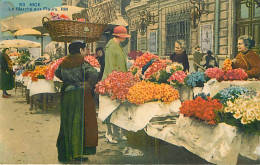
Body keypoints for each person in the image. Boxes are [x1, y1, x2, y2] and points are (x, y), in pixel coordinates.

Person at [55, 42, 99, 162]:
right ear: (80, 50)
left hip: (67, 94)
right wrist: (87, 84)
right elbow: (94, 74)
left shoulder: (63, 63)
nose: (85, 51)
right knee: (77, 122)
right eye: (84, 49)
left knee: (66, 122)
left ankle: (65, 153)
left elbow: (57, 73)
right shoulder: (81, 62)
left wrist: (67, 81)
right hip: (78, 94)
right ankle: (76, 155)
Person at [102, 25, 131, 144]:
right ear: (120, 36)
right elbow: (110, 67)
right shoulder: (110, 47)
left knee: (118, 109)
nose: (125, 39)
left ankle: (117, 132)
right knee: (110, 109)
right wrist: (114, 84)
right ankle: (109, 133)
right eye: (124, 37)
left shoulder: (118, 45)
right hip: (112, 82)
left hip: (120, 81)